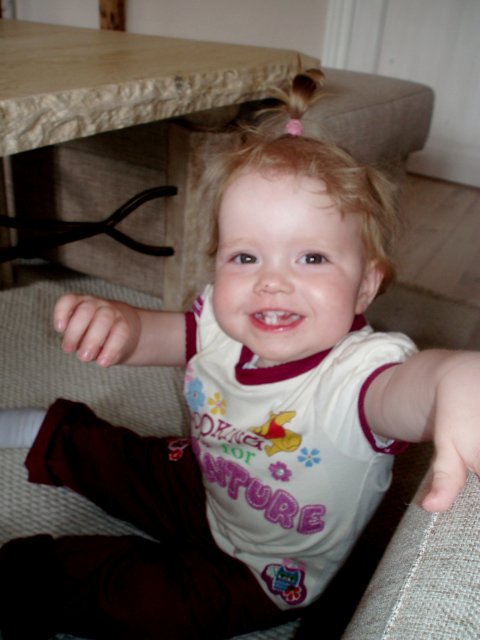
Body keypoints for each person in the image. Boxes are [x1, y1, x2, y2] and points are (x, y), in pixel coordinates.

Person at [1, 68, 479, 640]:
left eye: (311, 258)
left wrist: (453, 378)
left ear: (366, 286)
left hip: (262, 572)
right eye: (245, 258)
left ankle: (25, 579)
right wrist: (124, 326)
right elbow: (163, 336)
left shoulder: (358, 378)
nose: (271, 281)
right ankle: (44, 432)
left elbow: (413, 390)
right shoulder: (222, 325)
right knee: (131, 460)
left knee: (146, 605)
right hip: (206, 480)